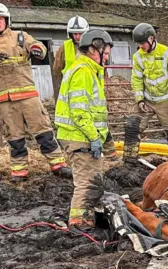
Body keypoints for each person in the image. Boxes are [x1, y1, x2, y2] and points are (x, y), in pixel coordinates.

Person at [0, 2, 72, 183]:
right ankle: (19, 172)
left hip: (28, 97)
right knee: (14, 137)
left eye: (0, 19)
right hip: (5, 101)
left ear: (7, 20)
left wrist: (37, 49)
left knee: (44, 131)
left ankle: (58, 165)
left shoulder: (21, 36)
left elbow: (38, 47)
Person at [55, 29, 113, 229]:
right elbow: (79, 110)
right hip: (80, 137)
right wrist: (93, 137)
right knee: (87, 183)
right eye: (105, 53)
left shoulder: (89, 70)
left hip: (83, 136)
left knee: (93, 182)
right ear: (94, 49)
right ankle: (80, 225)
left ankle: (88, 220)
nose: (107, 57)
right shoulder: (83, 71)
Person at [123, 23, 168, 164]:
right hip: (147, 100)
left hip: (166, 100)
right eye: (138, 44)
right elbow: (137, 79)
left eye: (143, 43)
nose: (140, 46)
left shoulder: (167, 54)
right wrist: (139, 100)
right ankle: (129, 161)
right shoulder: (138, 56)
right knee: (132, 125)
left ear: (152, 38)